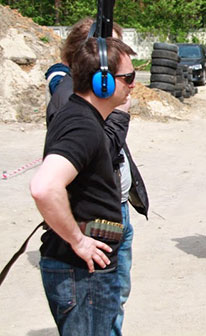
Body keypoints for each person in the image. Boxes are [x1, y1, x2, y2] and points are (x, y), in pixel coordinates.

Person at [44, 18, 149, 336]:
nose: (134, 84)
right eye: (128, 77)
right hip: (82, 274)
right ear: (102, 82)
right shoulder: (82, 122)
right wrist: (77, 240)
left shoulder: (86, 115)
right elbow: (45, 186)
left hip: (91, 266)